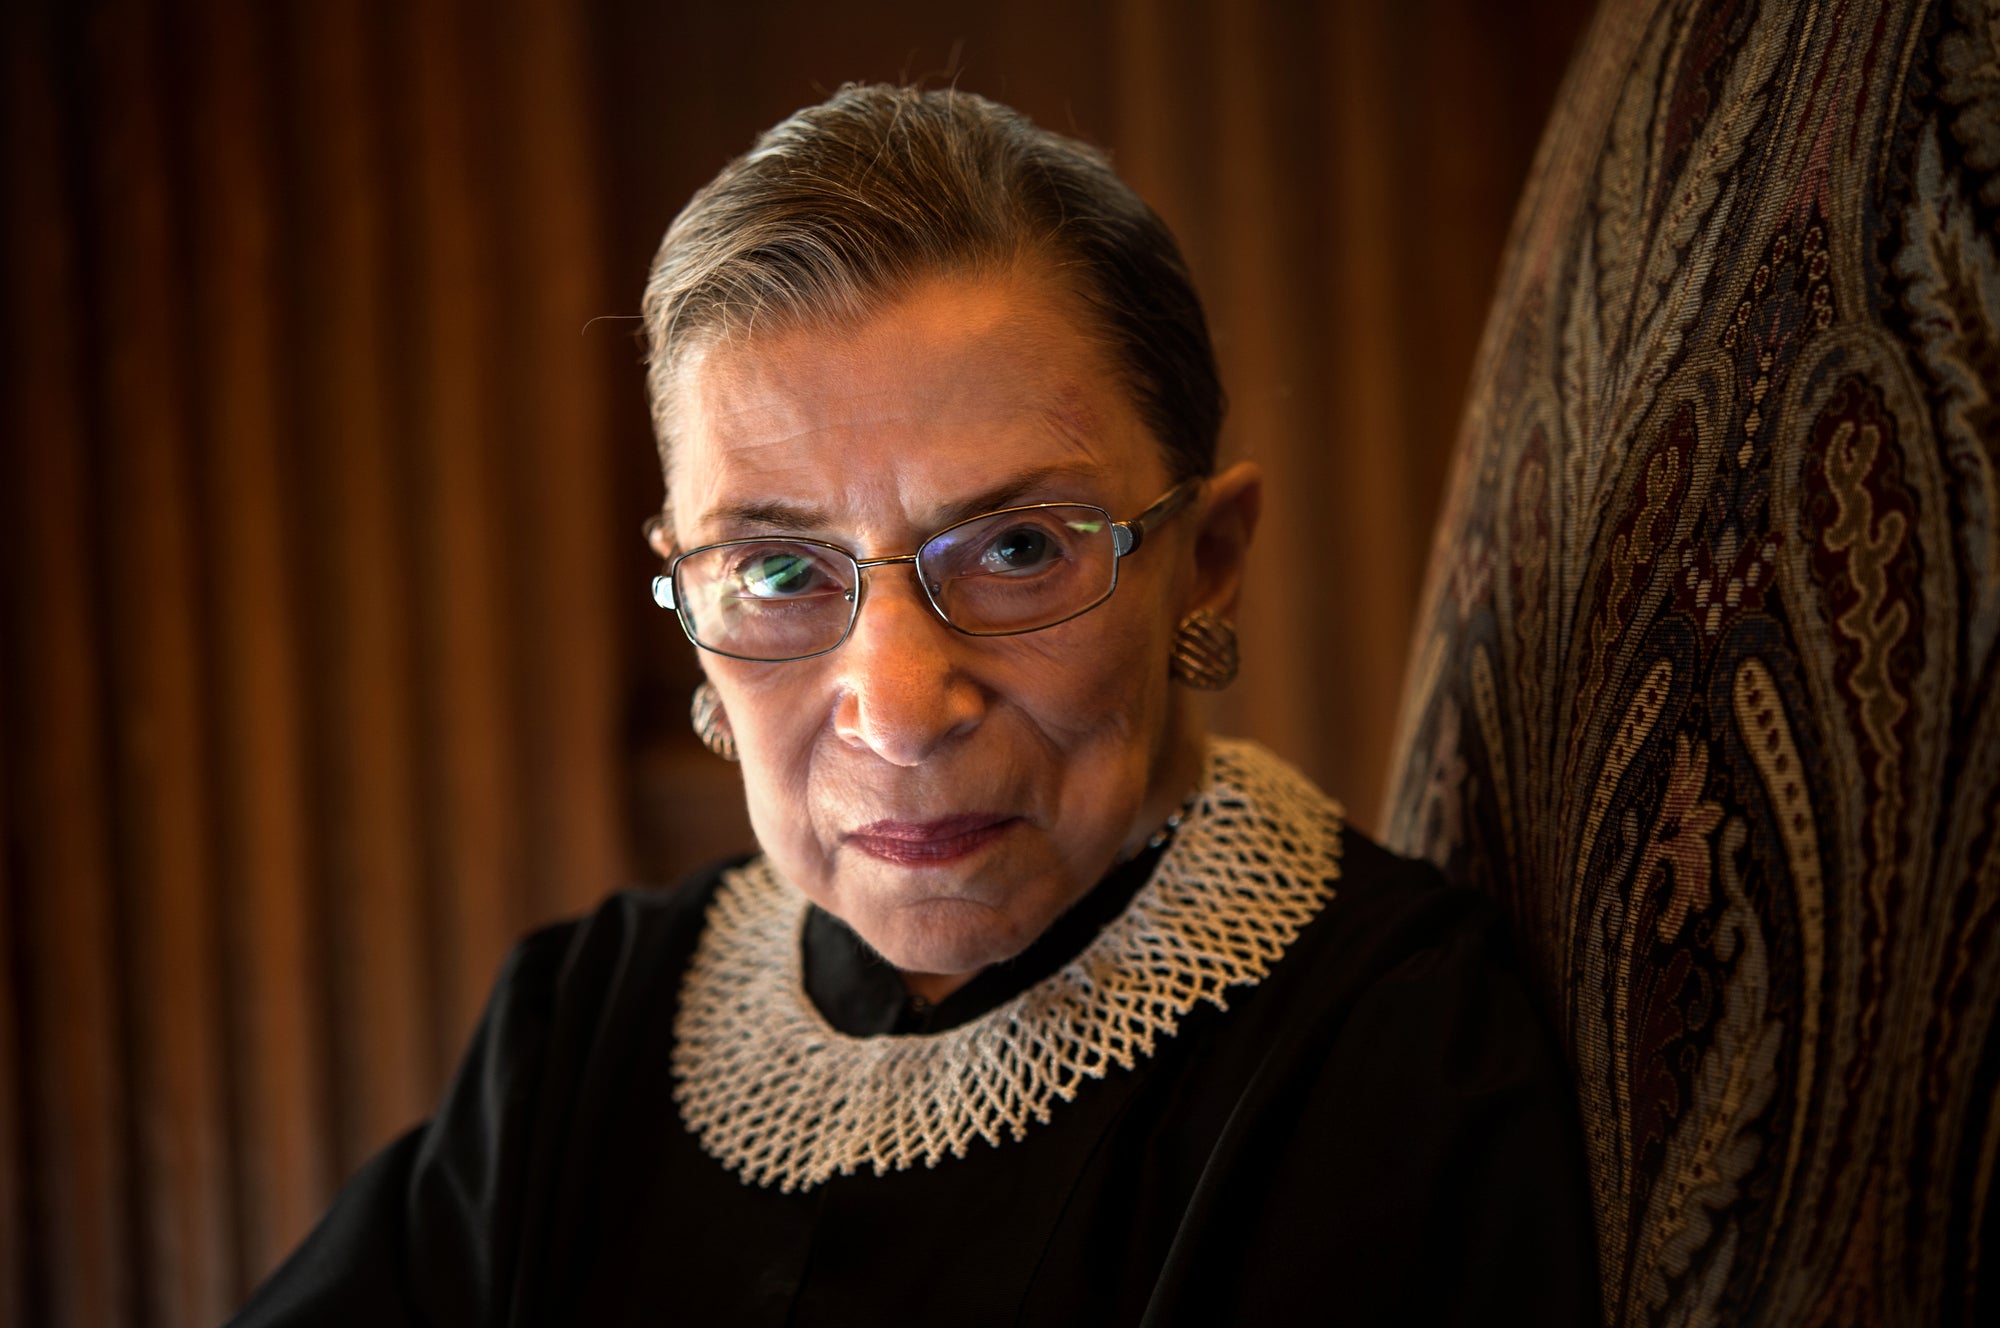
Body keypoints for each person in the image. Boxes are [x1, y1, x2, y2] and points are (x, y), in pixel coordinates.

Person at [233, 84, 1598, 1325]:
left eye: (1015, 550)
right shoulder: (580, 1028)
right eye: (776, 570)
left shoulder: (1397, 1064)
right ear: (687, 596)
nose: (895, 709)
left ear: (1206, 564)